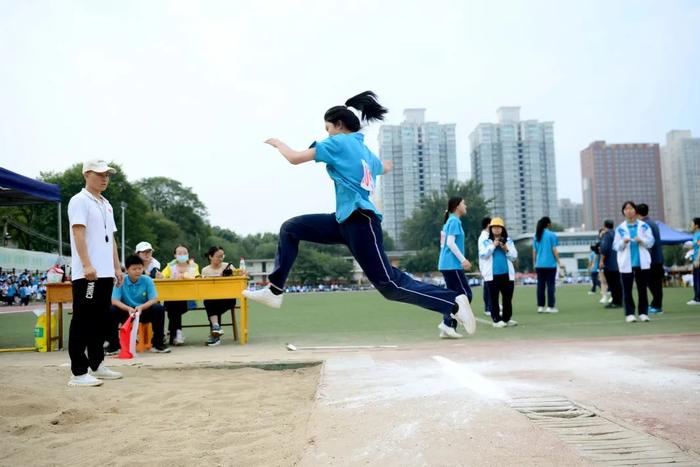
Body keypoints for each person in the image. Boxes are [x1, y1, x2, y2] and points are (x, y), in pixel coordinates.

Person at [243, 91, 476, 335]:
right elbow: (380, 167)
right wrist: (385, 167)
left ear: (339, 125)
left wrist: (278, 143)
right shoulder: (365, 152)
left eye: (327, 128)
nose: (327, 134)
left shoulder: (338, 142)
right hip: (343, 221)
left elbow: (294, 158)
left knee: (389, 284)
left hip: (361, 222)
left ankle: (452, 301)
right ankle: (274, 290)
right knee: (290, 228)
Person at [66, 159, 124, 387]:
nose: (105, 178)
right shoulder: (79, 201)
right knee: (83, 319)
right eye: (100, 174)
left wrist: (117, 267)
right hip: (87, 273)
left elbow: (112, 239)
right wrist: (87, 264)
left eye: (107, 175)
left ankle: (97, 364)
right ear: (86, 174)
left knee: (101, 319)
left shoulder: (106, 204)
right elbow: (78, 234)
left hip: (106, 273)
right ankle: (78, 372)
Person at [106, 255, 170, 354]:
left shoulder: (147, 280)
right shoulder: (121, 280)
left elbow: (153, 299)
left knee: (159, 309)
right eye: (134, 269)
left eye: (140, 268)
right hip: (126, 312)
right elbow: (114, 300)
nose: (138, 271)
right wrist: (127, 308)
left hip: (142, 311)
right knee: (111, 310)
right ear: (127, 270)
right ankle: (114, 346)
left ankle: (158, 344)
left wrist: (141, 307)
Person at [437, 197, 473, 339]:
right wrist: (463, 260)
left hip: (448, 264)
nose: (466, 205)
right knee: (465, 295)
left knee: (453, 296)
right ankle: (447, 323)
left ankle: (447, 326)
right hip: (452, 265)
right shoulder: (454, 221)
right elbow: (451, 243)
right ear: (457, 206)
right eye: (464, 203)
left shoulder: (451, 221)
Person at [613, 201, 654, 323]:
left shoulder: (644, 226)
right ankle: (630, 313)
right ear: (623, 212)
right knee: (627, 290)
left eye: (631, 208)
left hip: (642, 263)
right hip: (626, 263)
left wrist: (641, 240)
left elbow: (651, 241)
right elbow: (615, 246)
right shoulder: (620, 228)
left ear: (635, 211)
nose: (628, 211)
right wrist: (623, 242)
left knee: (642, 289)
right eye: (626, 209)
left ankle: (643, 313)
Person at [479, 217, 517, 328]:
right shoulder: (485, 241)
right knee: (493, 299)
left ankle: (506, 319)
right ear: (490, 229)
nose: (496, 229)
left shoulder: (508, 240)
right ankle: (496, 320)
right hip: (492, 275)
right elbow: (483, 255)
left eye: (499, 227)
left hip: (507, 275)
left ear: (502, 229)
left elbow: (514, 256)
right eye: (494, 227)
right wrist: (493, 245)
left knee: (507, 299)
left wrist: (506, 248)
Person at [162, 244, 200, 345]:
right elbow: (163, 276)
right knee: (173, 306)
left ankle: (172, 333)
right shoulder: (170, 266)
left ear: (188, 254)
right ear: (175, 255)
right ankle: (177, 333)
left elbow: (197, 277)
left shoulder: (193, 266)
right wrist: (160, 276)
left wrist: (185, 276)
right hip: (172, 295)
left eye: (185, 253)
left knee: (175, 308)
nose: (182, 255)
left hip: (188, 297)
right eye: (179, 253)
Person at [201, 246, 237, 346]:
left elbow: (237, 280)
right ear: (210, 257)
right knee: (209, 301)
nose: (221, 259)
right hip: (213, 299)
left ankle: (215, 334)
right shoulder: (205, 270)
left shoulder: (229, 266)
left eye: (222, 256)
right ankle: (216, 328)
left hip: (228, 298)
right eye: (218, 257)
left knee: (211, 305)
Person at [636, 204, 664, 314]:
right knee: (654, 283)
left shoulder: (645, 225)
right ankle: (655, 304)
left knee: (653, 283)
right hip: (657, 258)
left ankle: (657, 306)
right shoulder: (652, 223)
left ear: (637, 213)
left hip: (652, 259)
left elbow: (648, 243)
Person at [532, 216, 562, 313]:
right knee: (550, 286)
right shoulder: (552, 235)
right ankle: (550, 307)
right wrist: (559, 262)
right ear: (548, 224)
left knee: (540, 286)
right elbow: (554, 250)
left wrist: (534, 263)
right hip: (550, 265)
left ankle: (540, 307)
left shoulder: (536, 235)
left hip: (539, 265)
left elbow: (534, 251)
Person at [599, 220, 622, 308]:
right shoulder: (616, 233)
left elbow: (604, 249)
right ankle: (619, 301)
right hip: (618, 263)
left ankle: (615, 302)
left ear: (604, 226)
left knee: (612, 284)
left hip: (610, 264)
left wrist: (601, 261)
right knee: (617, 283)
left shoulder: (607, 235)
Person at [477, 217, 493, 317]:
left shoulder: (487, 236)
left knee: (490, 286)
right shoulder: (483, 237)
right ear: (488, 225)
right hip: (486, 265)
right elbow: (484, 253)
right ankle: (488, 307)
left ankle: (490, 305)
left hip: (488, 265)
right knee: (488, 287)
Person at [688, 218, 700, 306]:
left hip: (698, 260)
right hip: (695, 259)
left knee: (698, 279)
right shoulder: (695, 235)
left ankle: (698, 298)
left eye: (691, 224)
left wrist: (698, 260)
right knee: (695, 279)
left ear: (696, 225)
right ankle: (696, 297)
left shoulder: (699, 234)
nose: (690, 226)